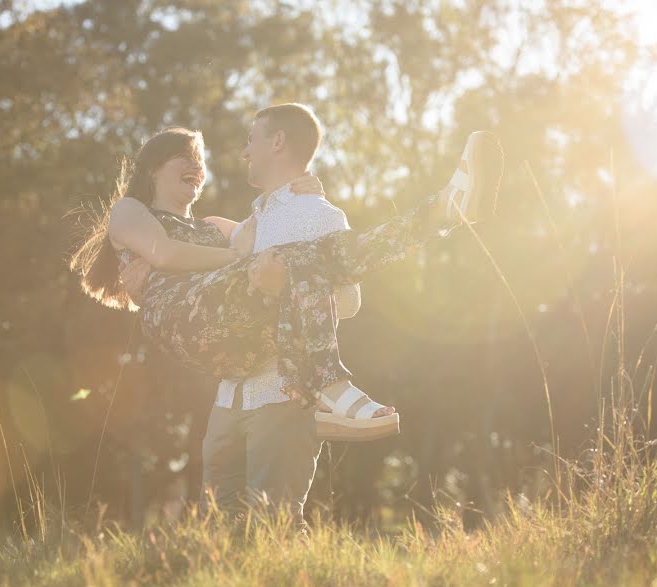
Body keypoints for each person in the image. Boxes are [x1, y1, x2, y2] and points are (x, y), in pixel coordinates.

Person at [69, 114, 503, 448]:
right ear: (154, 167)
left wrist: (304, 189)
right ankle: (327, 384)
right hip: (182, 318)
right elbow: (165, 252)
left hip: (221, 319)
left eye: (201, 163)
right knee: (292, 261)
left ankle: (443, 210)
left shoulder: (214, 224)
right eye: (188, 158)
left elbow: (275, 229)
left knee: (318, 257)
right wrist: (237, 256)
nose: (198, 168)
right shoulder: (129, 211)